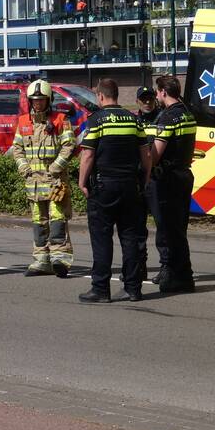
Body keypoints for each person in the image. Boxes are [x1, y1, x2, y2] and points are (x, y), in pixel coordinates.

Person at [77, 78, 151, 303]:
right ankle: (133, 288)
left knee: (102, 239)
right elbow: (146, 154)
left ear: (100, 96)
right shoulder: (134, 120)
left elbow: (88, 155)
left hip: (103, 187)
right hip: (130, 186)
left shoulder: (96, 121)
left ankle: (100, 289)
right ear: (117, 95)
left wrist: (81, 182)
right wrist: (144, 180)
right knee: (131, 238)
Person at [10, 80, 77, 277]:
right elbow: (17, 149)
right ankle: (41, 261)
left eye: (41, 100)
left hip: (54, 181)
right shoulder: (23, 122)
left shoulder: (60, 120)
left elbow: (69, 145)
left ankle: (60, 261)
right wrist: (24, 168)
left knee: (57, 220)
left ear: (49, 100)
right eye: (34, 100)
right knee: (38, 222)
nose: (37, 103)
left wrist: (57, 166)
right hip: (34, 183)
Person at [149, 75, 198, 294]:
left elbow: (155, 154)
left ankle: (181, 277)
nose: (156, 96)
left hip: (167, 178)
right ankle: (174, 272)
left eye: (157, 92)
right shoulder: (187, 114)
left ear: (163, 92)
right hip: (183, 175)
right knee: (178, 228)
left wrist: (142, 165)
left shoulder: (168, 118)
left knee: (169, 229)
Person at [134, 85, 162, 281]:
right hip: (137, 180)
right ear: (137, 101)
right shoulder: (133, 121)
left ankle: (165, 267)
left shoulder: (162, 119)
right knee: (137, 226)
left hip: (156, 180)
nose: (147, 102)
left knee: (162, 225)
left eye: (150, 98)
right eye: (143, 99)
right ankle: (140, 266)